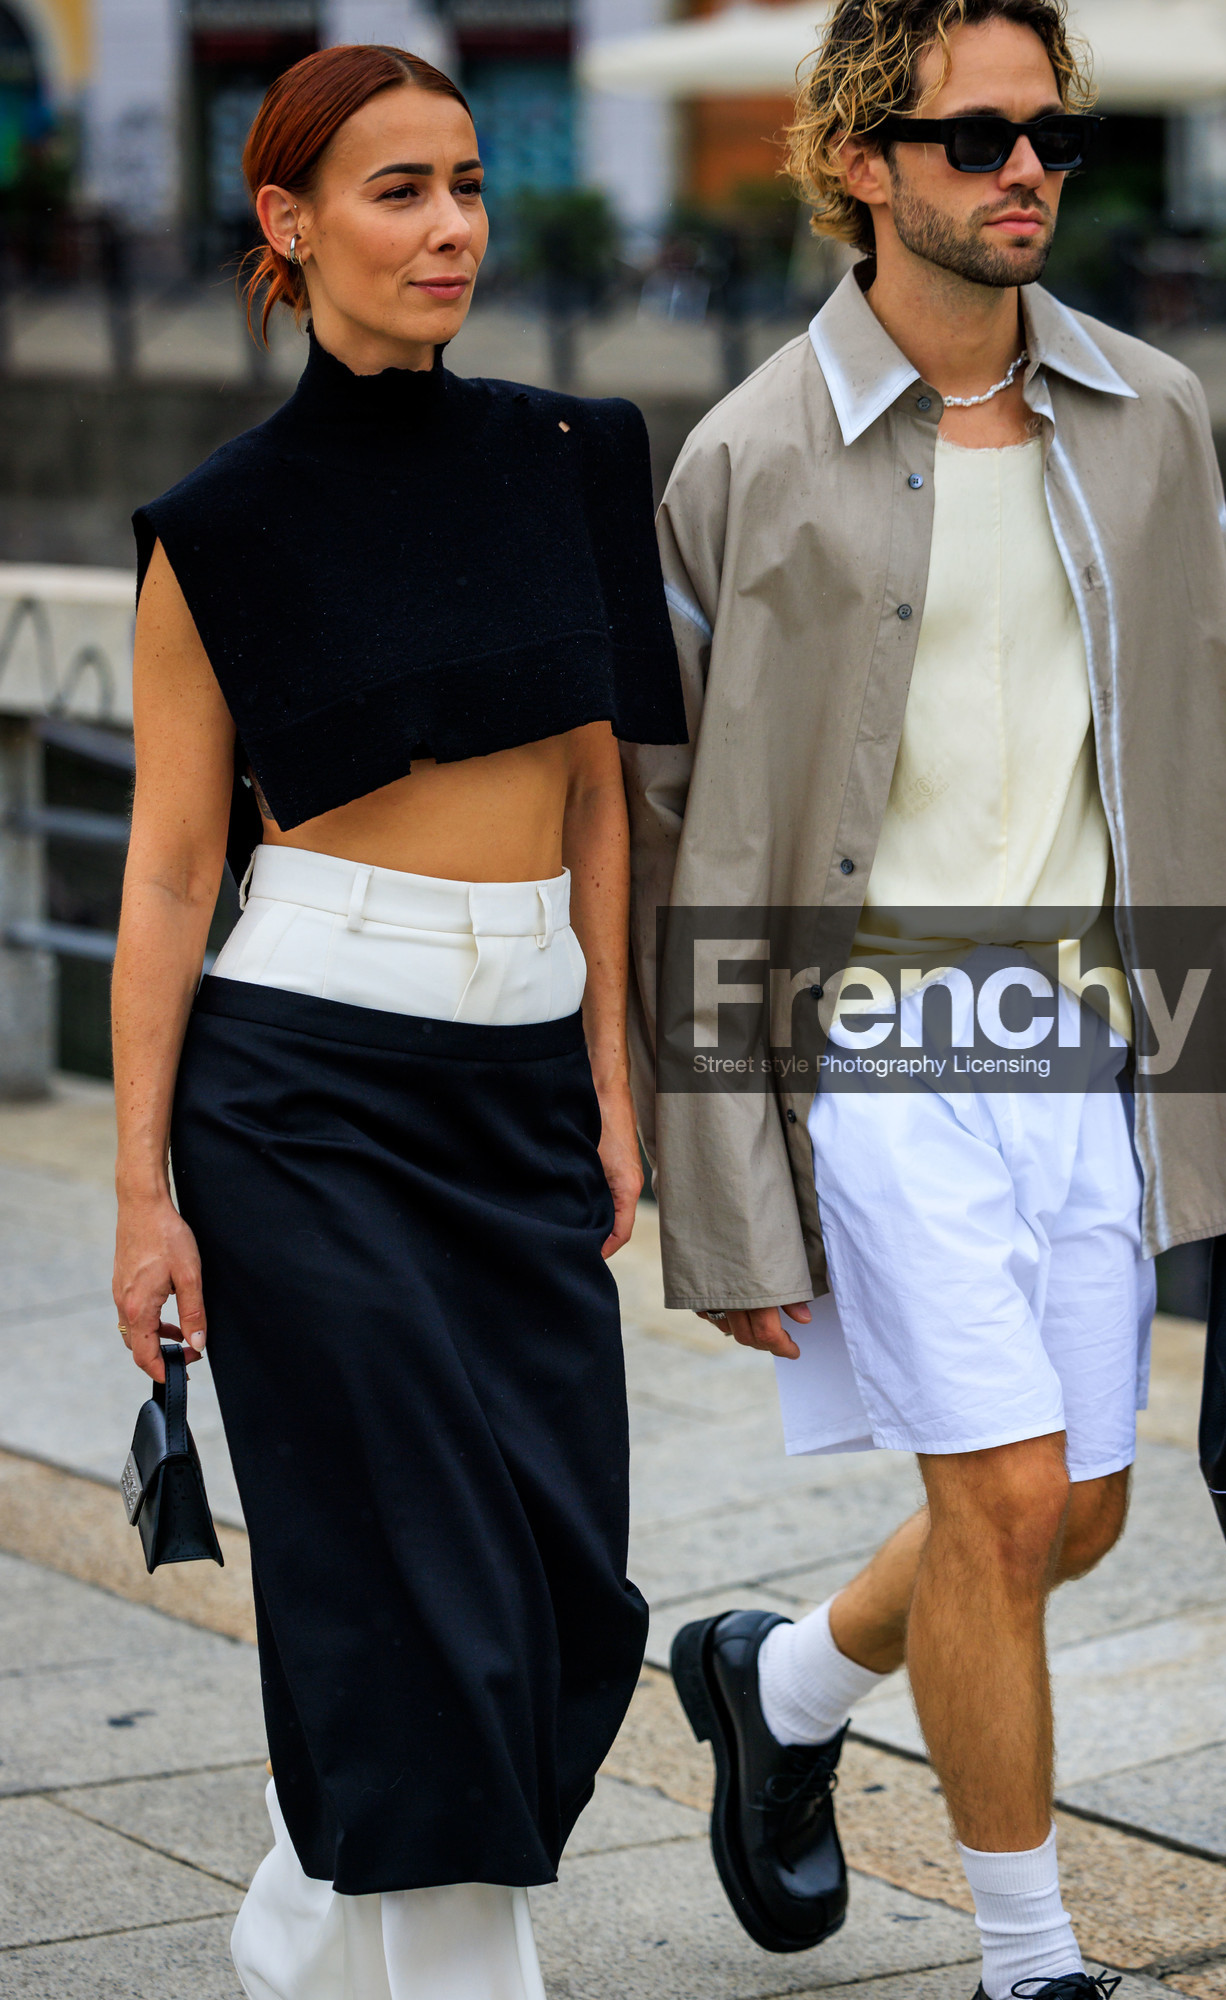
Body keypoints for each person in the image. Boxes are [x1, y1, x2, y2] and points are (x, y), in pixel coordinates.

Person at [624, 0, 1226, 1994]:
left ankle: (771, 1682)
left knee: (1073, 1518)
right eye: (975, 137)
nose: (1027, 169)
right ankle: (1028, 1958)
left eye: (1051, 137)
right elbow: (674, 825)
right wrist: (716, 1168)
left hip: (1087, 1044)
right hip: (869, 1048)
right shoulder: (746, 456)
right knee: (1003, 1496)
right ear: (861, 159)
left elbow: (1203, 762)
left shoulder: (1151, 419)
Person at [111, 43, 684, 2000]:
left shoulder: (573, 453)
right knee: (425, 1585)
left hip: (522, 1082)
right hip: (299, 1104)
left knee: (560, 1586)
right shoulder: (217, 526)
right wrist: (139, 1198)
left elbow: (601, 795)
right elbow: (173, 877)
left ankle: (301, 1897)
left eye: (465, 183)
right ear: (288, 224)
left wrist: (611, 1076)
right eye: (397, 190)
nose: (451, 225)